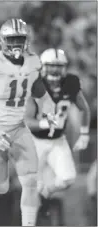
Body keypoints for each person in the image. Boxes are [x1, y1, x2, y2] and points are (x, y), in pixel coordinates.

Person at [0, 18, 54, 226]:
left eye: (20, 39)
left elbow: (39, 91)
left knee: (31, 180)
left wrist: (48, 109)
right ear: (1, 40)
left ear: (27, 40)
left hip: (18, 128)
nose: (16, 43)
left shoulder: (34, 61)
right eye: (12, 39)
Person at [24, 48, 91, 222]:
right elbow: (27, 120)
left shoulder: (70, 82)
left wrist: (84, 133)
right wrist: (45, 123)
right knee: (30, 188)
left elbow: (84, 108)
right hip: (35, 141)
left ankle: (45, 193)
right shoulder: (35, 84)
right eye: (51, 66)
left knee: (68, 178)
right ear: (43, 67)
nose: (54, 71)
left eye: (58, 67)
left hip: (57, 140)